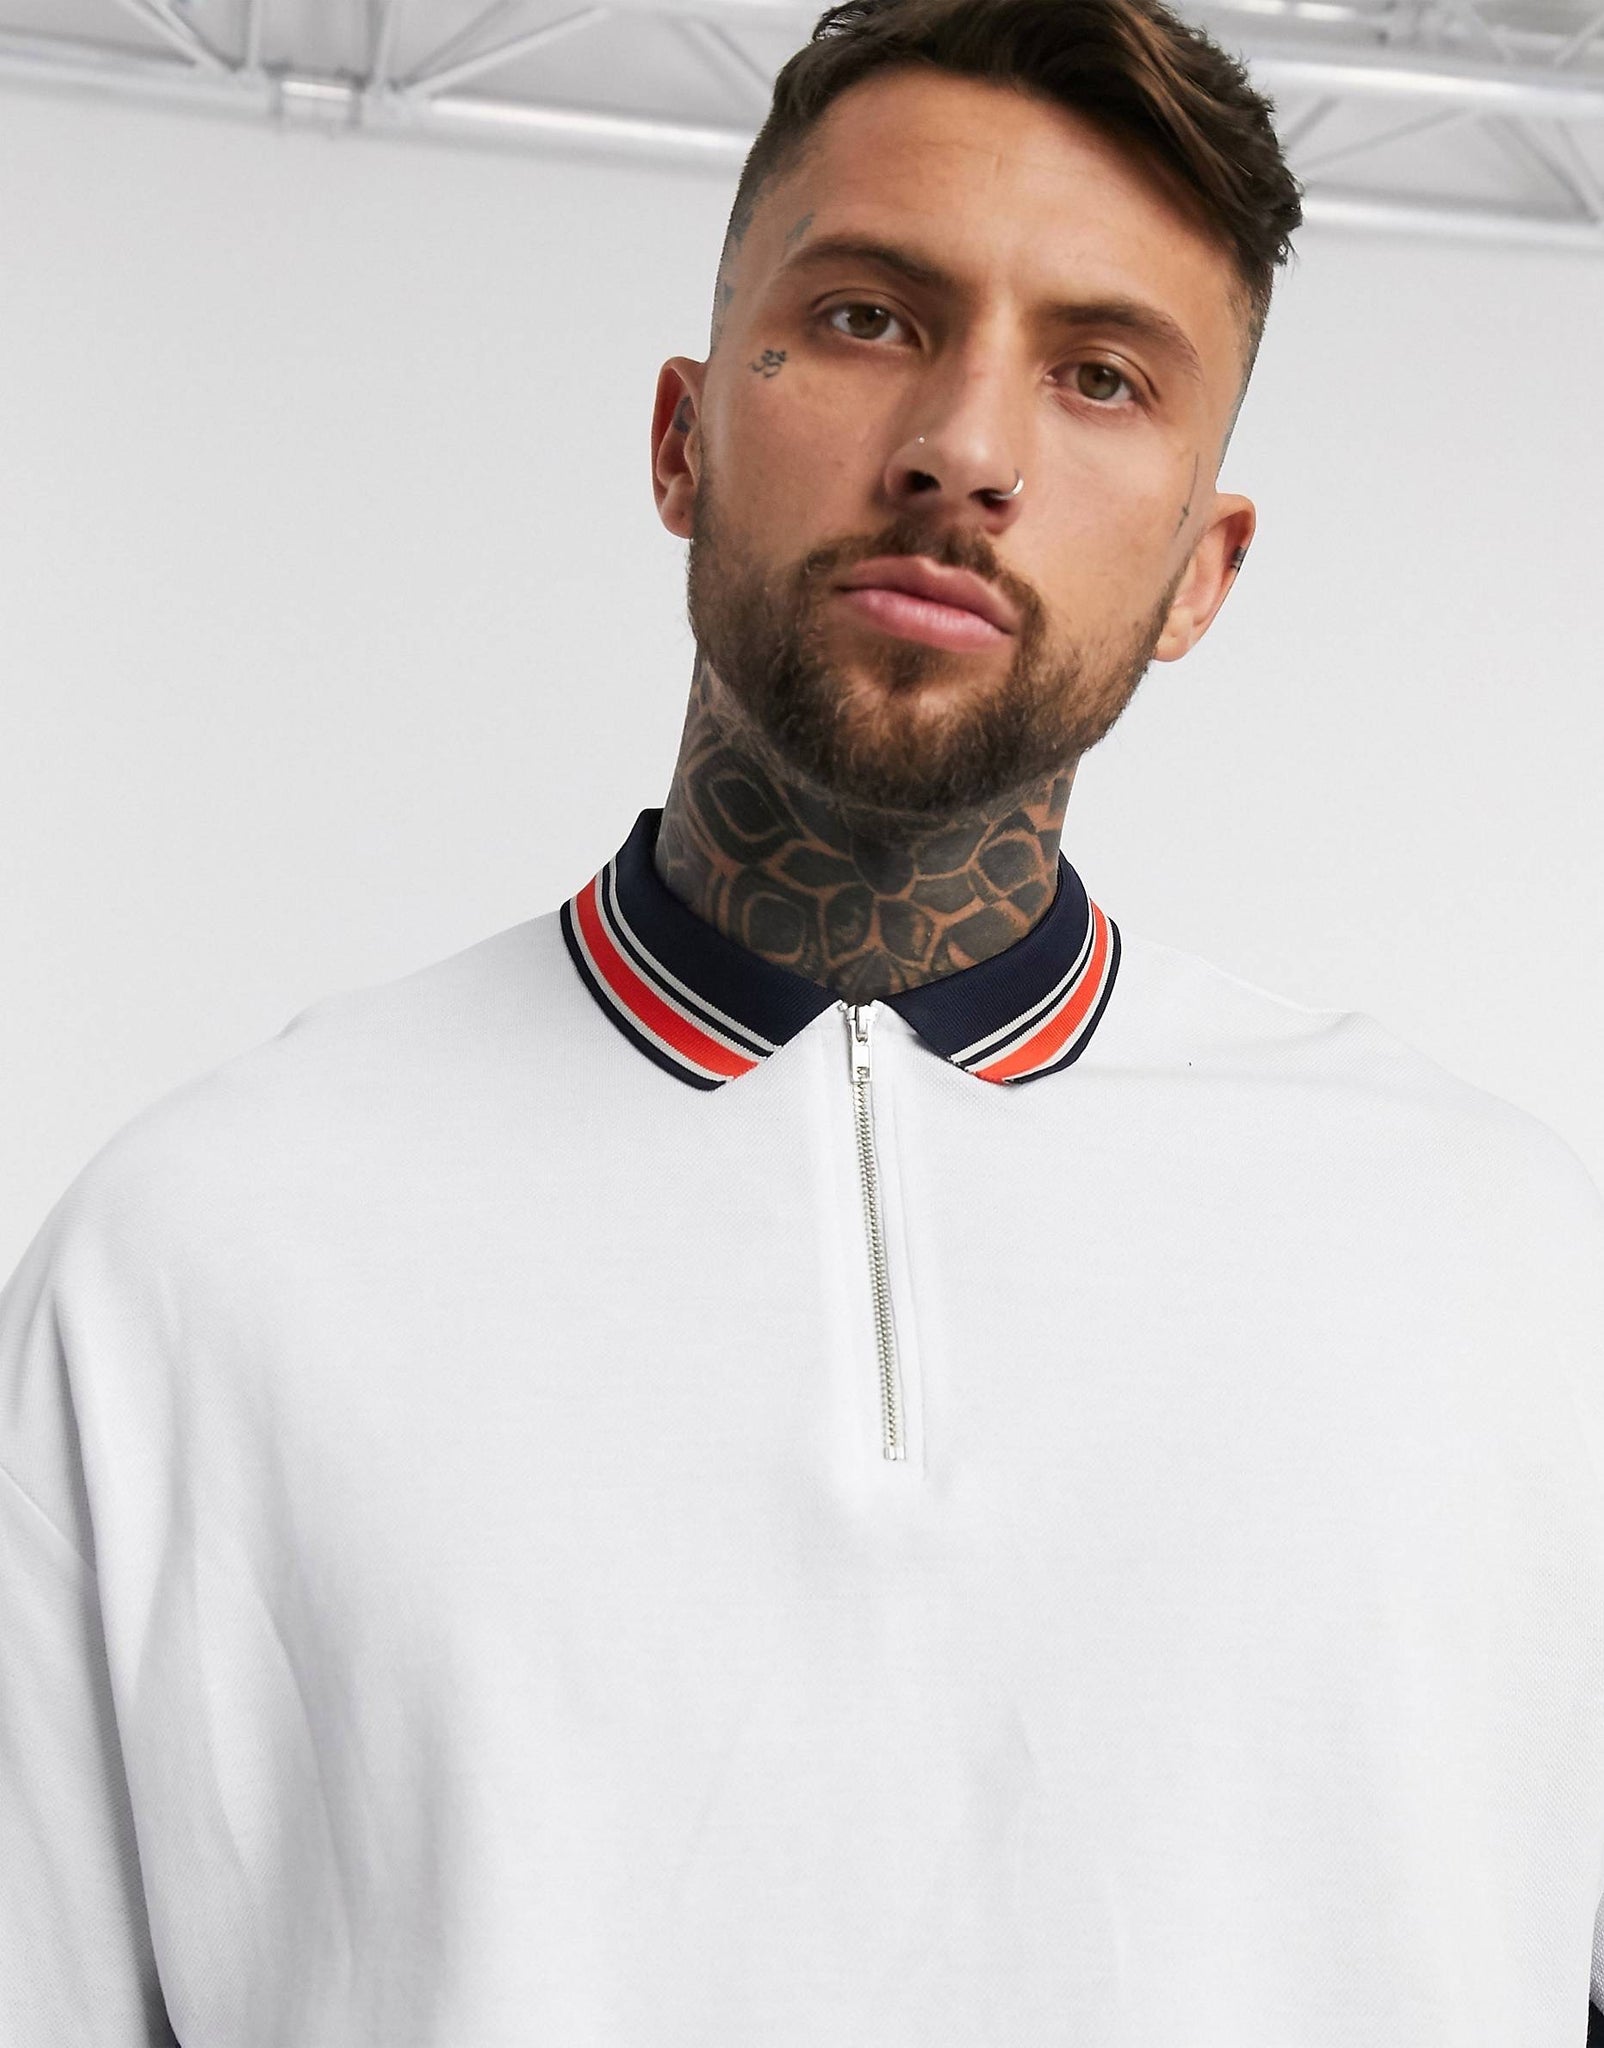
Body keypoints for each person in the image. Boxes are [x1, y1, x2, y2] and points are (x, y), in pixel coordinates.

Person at [3, 0, 1602, 2039]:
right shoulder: (194, 1262)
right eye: (865, 318)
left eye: (1101, 375)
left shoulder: (1514, 1275)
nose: (964, 448)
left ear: (1204, 574)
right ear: (681, 437)